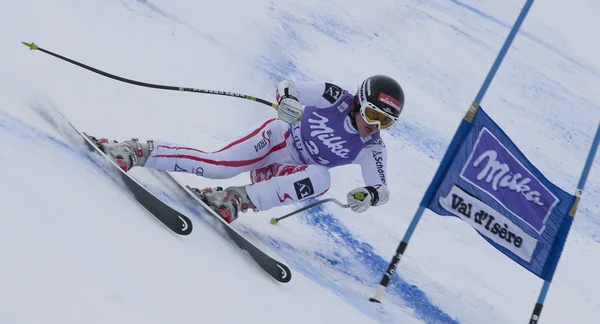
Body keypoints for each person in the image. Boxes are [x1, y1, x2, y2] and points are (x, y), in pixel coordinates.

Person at [95, 75, 405, 223]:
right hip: (275, 140)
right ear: (357, 104)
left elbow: (381, 187)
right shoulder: (335, 97)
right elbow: (290, 85)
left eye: (386, 122)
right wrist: (288, 102)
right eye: (373, 114)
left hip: (284, 172)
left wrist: (370, 195)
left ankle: (235, 199)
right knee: (216, 166)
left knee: (321, 179)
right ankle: (134, 150)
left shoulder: (372, 147)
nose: (375, 125)